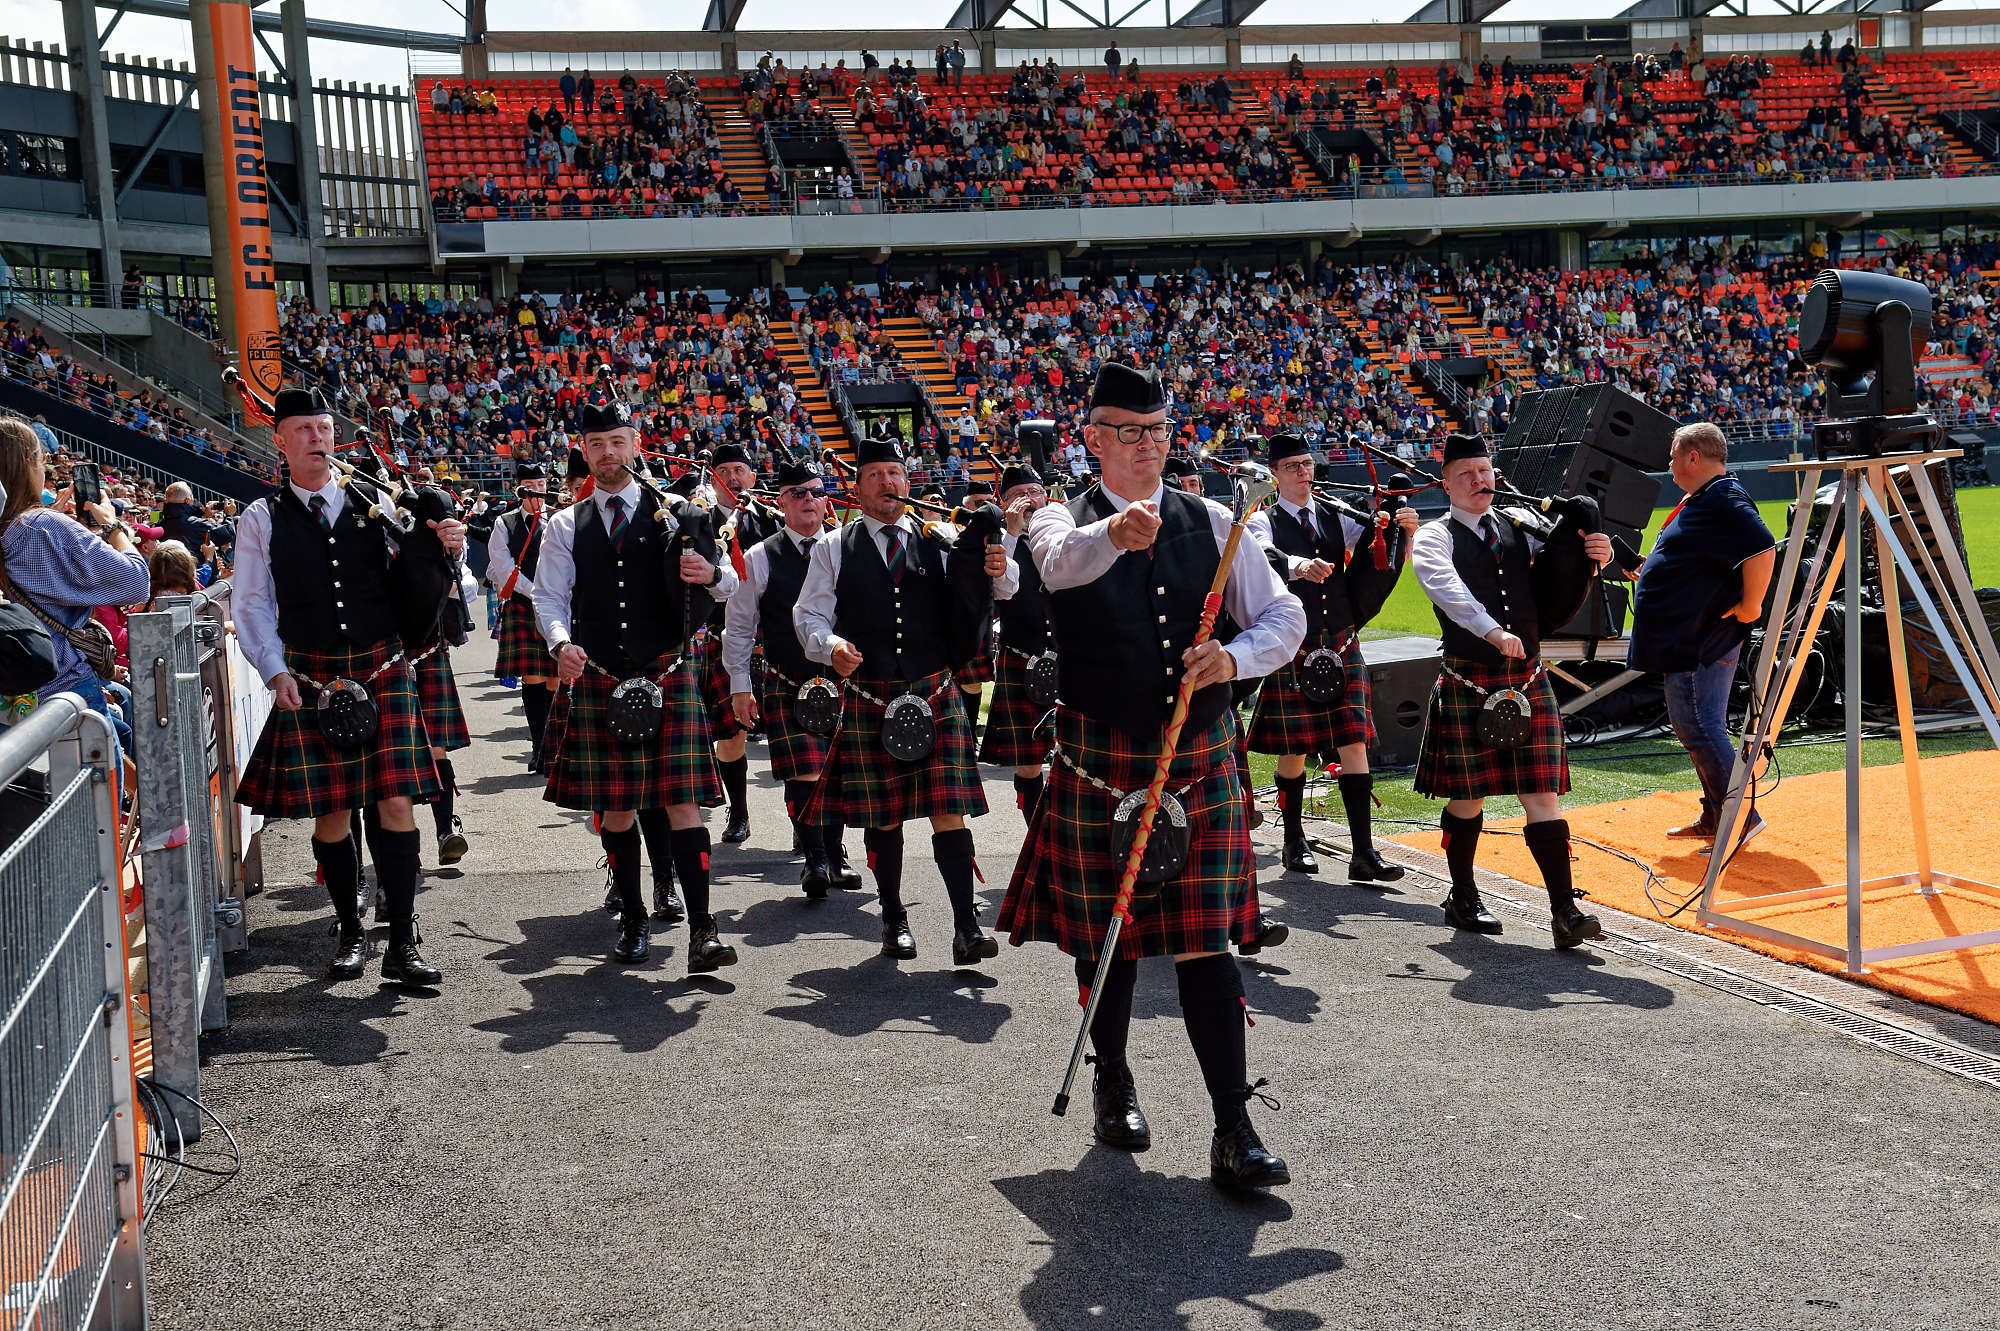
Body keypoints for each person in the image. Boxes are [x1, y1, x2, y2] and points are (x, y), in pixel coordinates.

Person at [994, 363, 1306, 1191]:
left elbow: (1287, 616)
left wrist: (1232, 656)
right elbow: (1056, 566)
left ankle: (1233, 1128)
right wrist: (1113, 537)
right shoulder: (1060, 516)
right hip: (1104, 760)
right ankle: (1114, 1077)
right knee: (1111, 941)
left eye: (1160, 432)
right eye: (1130, 433)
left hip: (1196, 759)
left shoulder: (1212, 519)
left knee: (1206, 945)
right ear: (1093, 439)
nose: (1149, 448)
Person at [232, 387, 462, 987]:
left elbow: (422, 571)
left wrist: (445, 548)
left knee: (395, 802)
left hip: (382, 667)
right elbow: (252, 603)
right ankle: (349, 928)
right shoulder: (261, 518)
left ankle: (404, 939)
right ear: (279, 440)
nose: (316, 438)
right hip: (311, 674)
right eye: (303, 429)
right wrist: (273, 670)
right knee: (332, 810)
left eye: (324, 428)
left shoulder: (377, 504)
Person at [793, 430, 1018, 966]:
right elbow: (809, 614)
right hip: (872, 697)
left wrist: (999, 566)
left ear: (908, 481)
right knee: (884, 818)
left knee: (949, 814)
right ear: (857, 487)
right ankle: (893, 919)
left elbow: (1000, 591)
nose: (888, 483)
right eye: (875, 476)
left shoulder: (939, 537)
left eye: (895, 474)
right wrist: (831, 647)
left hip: (933, 691)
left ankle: (967, 926)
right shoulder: (833, 546)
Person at [535, 395, 738, 973]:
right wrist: (559, 643)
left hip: (667, 674)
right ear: (583, 452)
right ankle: (632, 919)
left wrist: (711, 574)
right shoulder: (563, 525)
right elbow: (549, 597)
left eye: (617, 442)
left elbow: (724, 586)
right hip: (601, 675)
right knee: (617, 810)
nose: (607, 453)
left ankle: (703, 930)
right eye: (596, 444)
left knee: (683, 804)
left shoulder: (676, 512)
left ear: (635, 444)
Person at [1409, 434, 1613, 948]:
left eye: (1484, 470)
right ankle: (1462, 894)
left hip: (1525, 678)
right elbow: (1445, 586)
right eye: (1466, 474)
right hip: (1469, 678)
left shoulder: (1521, 524)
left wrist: (1596, 554)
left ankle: (1565, 912)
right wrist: (1489, 629)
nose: (1479, 481)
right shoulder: (1436, 536)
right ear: (1446, 484)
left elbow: (1562, 568)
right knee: (1467, 796)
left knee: (1542, 795)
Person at [1243, 433, 1418, 883]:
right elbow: (1261, 554)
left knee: (1354, 744)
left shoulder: (1336, 514)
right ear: (1276, 475)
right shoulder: (1263, 520)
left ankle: (1364, 853)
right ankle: (1293, 841)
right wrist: (1299, 565)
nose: (1305, 471)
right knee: (1294, 749)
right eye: (1294, 466)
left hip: (1340, 642)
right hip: (1293, 643)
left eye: (1307, 463)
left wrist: (1401, 528)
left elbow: (1379, 548)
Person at [1621, 422, 1775, 854]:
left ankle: (1739, 821)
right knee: (1694, 727)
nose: (1669, 466)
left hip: (1701, 637)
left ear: (1693, 457)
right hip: (1689, 636)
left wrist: (1751, 606)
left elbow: (1763, 548)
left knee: (1700, 727)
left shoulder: (1722, 497)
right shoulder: (1708, 498)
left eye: (1673, 457)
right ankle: (1715, 816)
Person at [724, 457, 861, 898]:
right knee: (807, 772)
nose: (808, 500)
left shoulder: (845, 548)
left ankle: (836, 853)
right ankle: (817, 858)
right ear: (780, 502)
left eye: (816, 492)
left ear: (826, 500)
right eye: (797, 493)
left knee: (837, 772)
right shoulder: (761, 556)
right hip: (788, 680)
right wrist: (740, 685)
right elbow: (740, 627)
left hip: (843, 679)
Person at [0, 419, 149, 741]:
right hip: (65, 695)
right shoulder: (43, 527)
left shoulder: (27, 528)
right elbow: (135, 582)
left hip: (12, 701)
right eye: (42, 460)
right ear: (28, 464)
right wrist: (114, 528)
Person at [701, 442, 781, 846]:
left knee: (789, 733)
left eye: (740, 470)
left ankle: (806, 828)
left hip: (775, 642)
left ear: (752, 476)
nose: (733, 478)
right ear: (714, 478)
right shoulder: (698, 521)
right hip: (723, 639)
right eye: (724, 471)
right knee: (730, 735)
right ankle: (740, 812)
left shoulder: (772, 520)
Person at [978, 464, 1055, 824]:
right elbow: (999, 592)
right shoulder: (992, 542)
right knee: (1029, 763)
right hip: (1023, 660)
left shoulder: (1064, 531)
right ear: (1003, 503)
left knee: (1082, 751)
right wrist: (1008, 535)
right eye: (1016, 496)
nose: (1028, 501)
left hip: (1074, 659)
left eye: (1034, 492)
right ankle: (1036, 837)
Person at [487, 463, 559, 773]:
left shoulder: (559, 519)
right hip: (524, 606)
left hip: (558, 607)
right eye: (530, 485)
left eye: (541, 484)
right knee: (534, 678)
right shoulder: (505, 523)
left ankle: (556, 748)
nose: (536, 491)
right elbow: (505, 571)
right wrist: (539, 594)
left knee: (557, 679)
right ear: (520, 489)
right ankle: (539, 747)